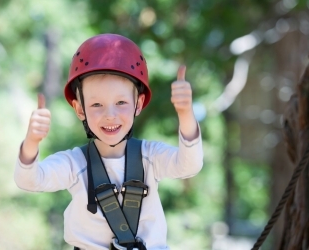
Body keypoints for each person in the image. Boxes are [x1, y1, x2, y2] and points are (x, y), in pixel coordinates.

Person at [14, 34, 203, 250]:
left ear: (138, 104)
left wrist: (186, 114)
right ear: (79, 109)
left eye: (121, 102)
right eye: (96, 105)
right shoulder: (74, 164)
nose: (110, 115)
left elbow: (190, 165)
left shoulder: (150, 157)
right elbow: (29, 181)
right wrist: (31, 142)